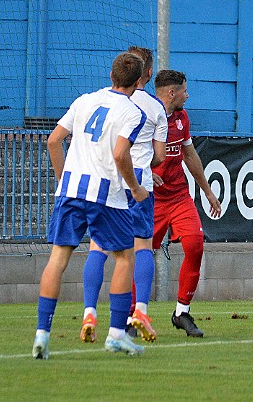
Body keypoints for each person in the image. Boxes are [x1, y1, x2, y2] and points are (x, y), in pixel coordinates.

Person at [32, 51, 150, 359]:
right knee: (125, 258)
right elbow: (121, 155)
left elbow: (53, 140)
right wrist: (135, 188)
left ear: (111, 76)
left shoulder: (83, 100)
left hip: (71, 191)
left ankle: (42, 335)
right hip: (106, 196)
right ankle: (116, 335)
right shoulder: (132, 111)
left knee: (57, 260)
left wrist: (63, 181)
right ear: (138, 82)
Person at [80, 46, 168, 344]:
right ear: (148, 73)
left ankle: (89, 312)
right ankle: (140, 310)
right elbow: (159, 156)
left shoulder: (100, 100)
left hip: (107, 181)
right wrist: (145, 168)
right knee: (142, 245)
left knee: (98, 247)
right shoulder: (155, 108)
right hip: (139, 180)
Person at [152, 69, 222, 337]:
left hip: (179, 196)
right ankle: (134, 315)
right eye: (184, 90)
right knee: (141, 255)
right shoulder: (145, 116)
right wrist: (145, 176)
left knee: (195, 245)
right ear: (172, 93)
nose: (187, 94)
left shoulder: (182, 118)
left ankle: (181, 312)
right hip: (151, 198)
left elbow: (190, 155)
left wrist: (207, 191)